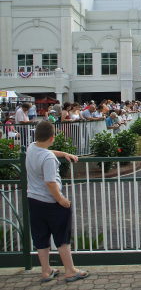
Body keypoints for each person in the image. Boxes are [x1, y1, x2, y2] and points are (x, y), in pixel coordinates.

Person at [26, 121, 89, 283]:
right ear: (52, 138)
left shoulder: (31, 147)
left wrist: (63, 154)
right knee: (62, 236)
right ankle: (70, 270)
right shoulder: (48, 159)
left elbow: (45, 150)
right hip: (51, 203)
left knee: (41, 236)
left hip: (33, 200)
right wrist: (61, 200)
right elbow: (50, 182)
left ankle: (46, 271)